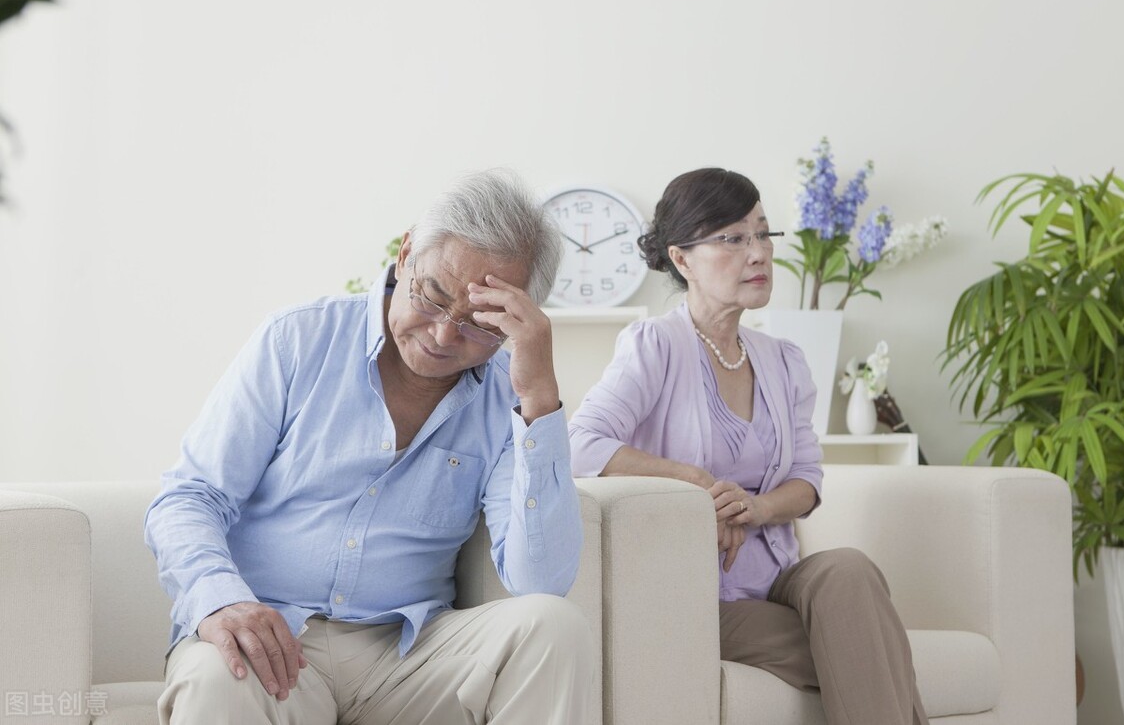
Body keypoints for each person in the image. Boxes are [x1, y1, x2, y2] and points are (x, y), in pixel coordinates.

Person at [146, 169, 592, 725]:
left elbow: (539, 583)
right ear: (405, 255)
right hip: (271, 640)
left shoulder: (511, 399)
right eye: (432, 297)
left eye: (479, 323)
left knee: (554, 626)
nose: (443, 335)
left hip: (409, 655)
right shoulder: (297, 340)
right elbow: (190, 497)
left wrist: (539, 399)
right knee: (218, 678)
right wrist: (220, 598)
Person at [569, 168, 927, 725]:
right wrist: (699, 487)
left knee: (849, 571)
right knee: (867, 642)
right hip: (695, 592)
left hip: (779, 579)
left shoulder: (783, 360)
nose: (758, 253)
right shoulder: (656, 345)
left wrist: (753, 508)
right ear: (682, 259)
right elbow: (580, 444)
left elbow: (807, 479)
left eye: (763, 233)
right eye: (733, 238)